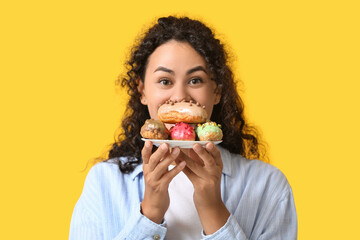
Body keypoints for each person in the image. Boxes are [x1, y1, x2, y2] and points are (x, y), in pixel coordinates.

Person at [69, 16, 297, 239]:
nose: (179, 96)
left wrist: (212, 209)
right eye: (165, 81)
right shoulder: (104, 182)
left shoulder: (268, 186)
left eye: (195, 80)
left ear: (216, 91)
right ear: (142, 91)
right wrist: (149, 215)